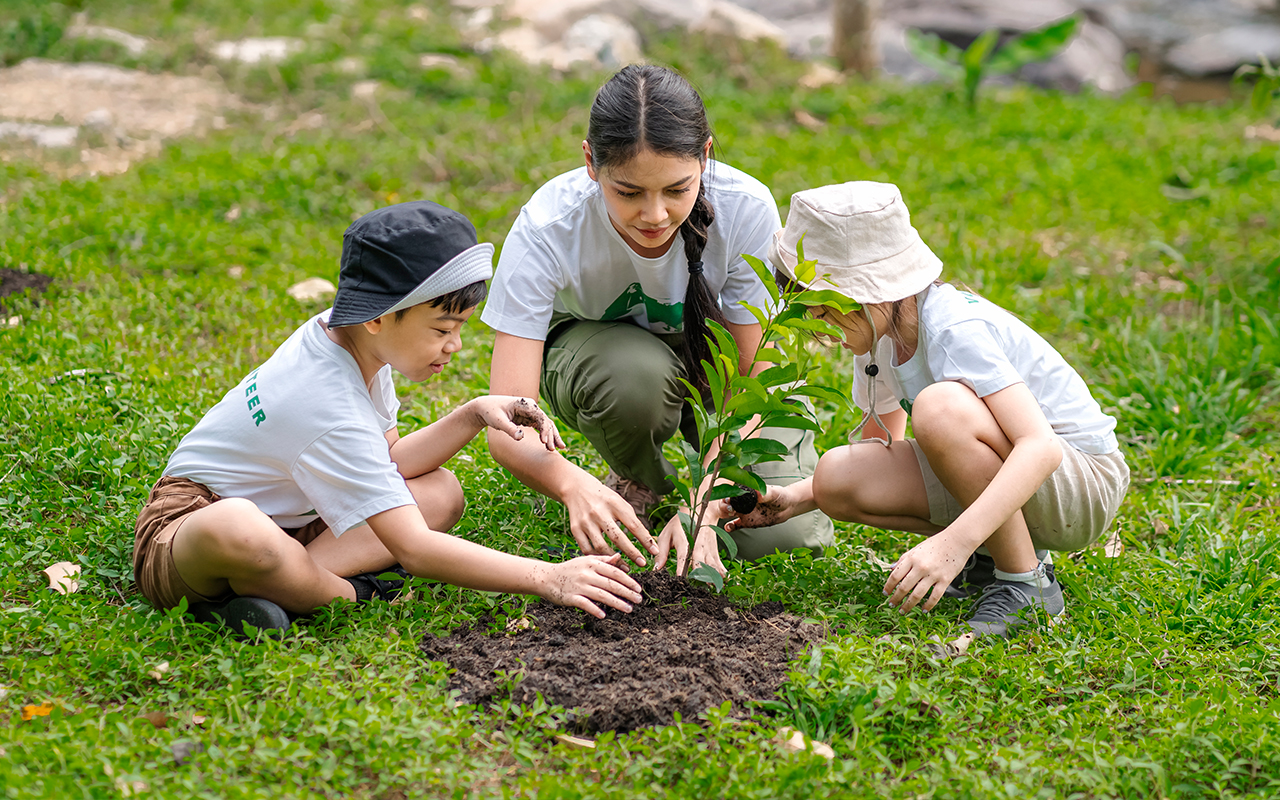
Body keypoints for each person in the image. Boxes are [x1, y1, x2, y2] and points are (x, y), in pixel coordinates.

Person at [133, 201, 642, 636]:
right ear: (379, 317)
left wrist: (472, 415)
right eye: (443, 327)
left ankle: (270, 595)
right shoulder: (325, 400)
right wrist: (549, 577)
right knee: (240, 527)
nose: (455, 345)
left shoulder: (357, 346)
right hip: (185, 533)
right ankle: (346, 596)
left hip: (294, 522)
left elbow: (391, 462)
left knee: (440, 493)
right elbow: (415, 551)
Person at [719, 181, 1130, 636]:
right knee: (838, 475)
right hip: (1028, 481)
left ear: (872, 291)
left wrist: (952, 543)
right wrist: (794, 500)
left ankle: (1026, 585)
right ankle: (989, 562)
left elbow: (1041, 447)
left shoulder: (953, 326)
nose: (814, 321)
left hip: (1084, 483)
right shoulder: (876, 340)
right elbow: (880, 457)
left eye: (823, 305)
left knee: (940, 408)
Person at [481, 64, 833, 577]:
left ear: (706, 156)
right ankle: (643, 478)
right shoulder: (549, 227)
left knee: (782, 537)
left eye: (676, 189)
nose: (654, 214)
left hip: (719, 372)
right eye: (628, 192)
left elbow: (753, 375)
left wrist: (705, 501)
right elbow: (505, 419)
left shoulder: (746, 209)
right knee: (633, 377)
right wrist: (570, 483)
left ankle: (685, 490)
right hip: (610, 365)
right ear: (590, 163)